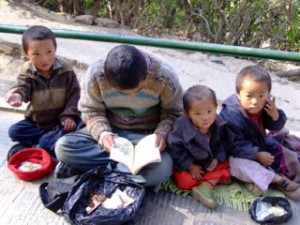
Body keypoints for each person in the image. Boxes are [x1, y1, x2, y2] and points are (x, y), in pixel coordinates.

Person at [54, 44, 184, 189]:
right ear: (108, 79)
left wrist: (162, 133)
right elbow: (91, 110)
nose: (133, 96)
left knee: (162, 169)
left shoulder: (164, 76)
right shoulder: (95, 74)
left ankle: (98, 170)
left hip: (146, 137)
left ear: (146, 74)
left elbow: (174, 112)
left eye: (138, 89)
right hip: (112, 133)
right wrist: (102, 134)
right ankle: (124, 173)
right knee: (63, 147)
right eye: (123, 92)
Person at [220, 65, 300, 200]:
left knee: (284, 151)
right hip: (236, 153)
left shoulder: (266, 103)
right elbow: (234, 146)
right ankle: (278, 180)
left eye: (261, 95)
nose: (255, 102)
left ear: (268, 94)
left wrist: (275, 115)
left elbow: (276, 126)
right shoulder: (231, 114)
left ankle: (282, 172)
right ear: (238, 93)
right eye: (249, 96)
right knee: (238, 165)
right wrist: (256, 155)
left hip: (260, 141)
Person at [5, 25, 82, 159]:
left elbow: (75, 95)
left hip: (60, 122)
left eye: (49, 52)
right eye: (36, 54)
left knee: (78, 125)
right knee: (14, 131)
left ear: (55, 49)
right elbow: (23, 87)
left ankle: (38, 145)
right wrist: (17, 95)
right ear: (26, 53)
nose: (44, 59)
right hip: (37, 123)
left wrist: (68, 115)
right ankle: (45, 145)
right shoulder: (27, 72)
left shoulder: (66, 70)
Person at [167, 85, 231, 209]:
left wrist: (217, 158)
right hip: (190, 163)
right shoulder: (181, 126)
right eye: (198, 113)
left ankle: (205, 186)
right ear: (186, 113)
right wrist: (190, 166)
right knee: (185, 182)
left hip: (209, 161)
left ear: (216, 107)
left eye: (209, 111)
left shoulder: (219, 124)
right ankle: (211, 180)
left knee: (228, 163)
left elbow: (223, 143)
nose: (205, 117)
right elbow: (174, 148)